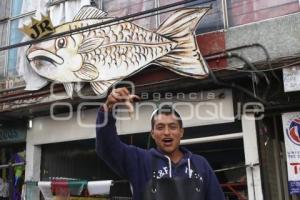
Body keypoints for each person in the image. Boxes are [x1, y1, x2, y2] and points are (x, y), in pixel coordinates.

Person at [96, 87, 225, 200]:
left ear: (181, 132)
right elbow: (107, 146)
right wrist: (108, 107)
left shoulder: (200, 164)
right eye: (160, 127)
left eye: (172, 127)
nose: (167, 132)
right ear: (152, 133)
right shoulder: (139, 161)